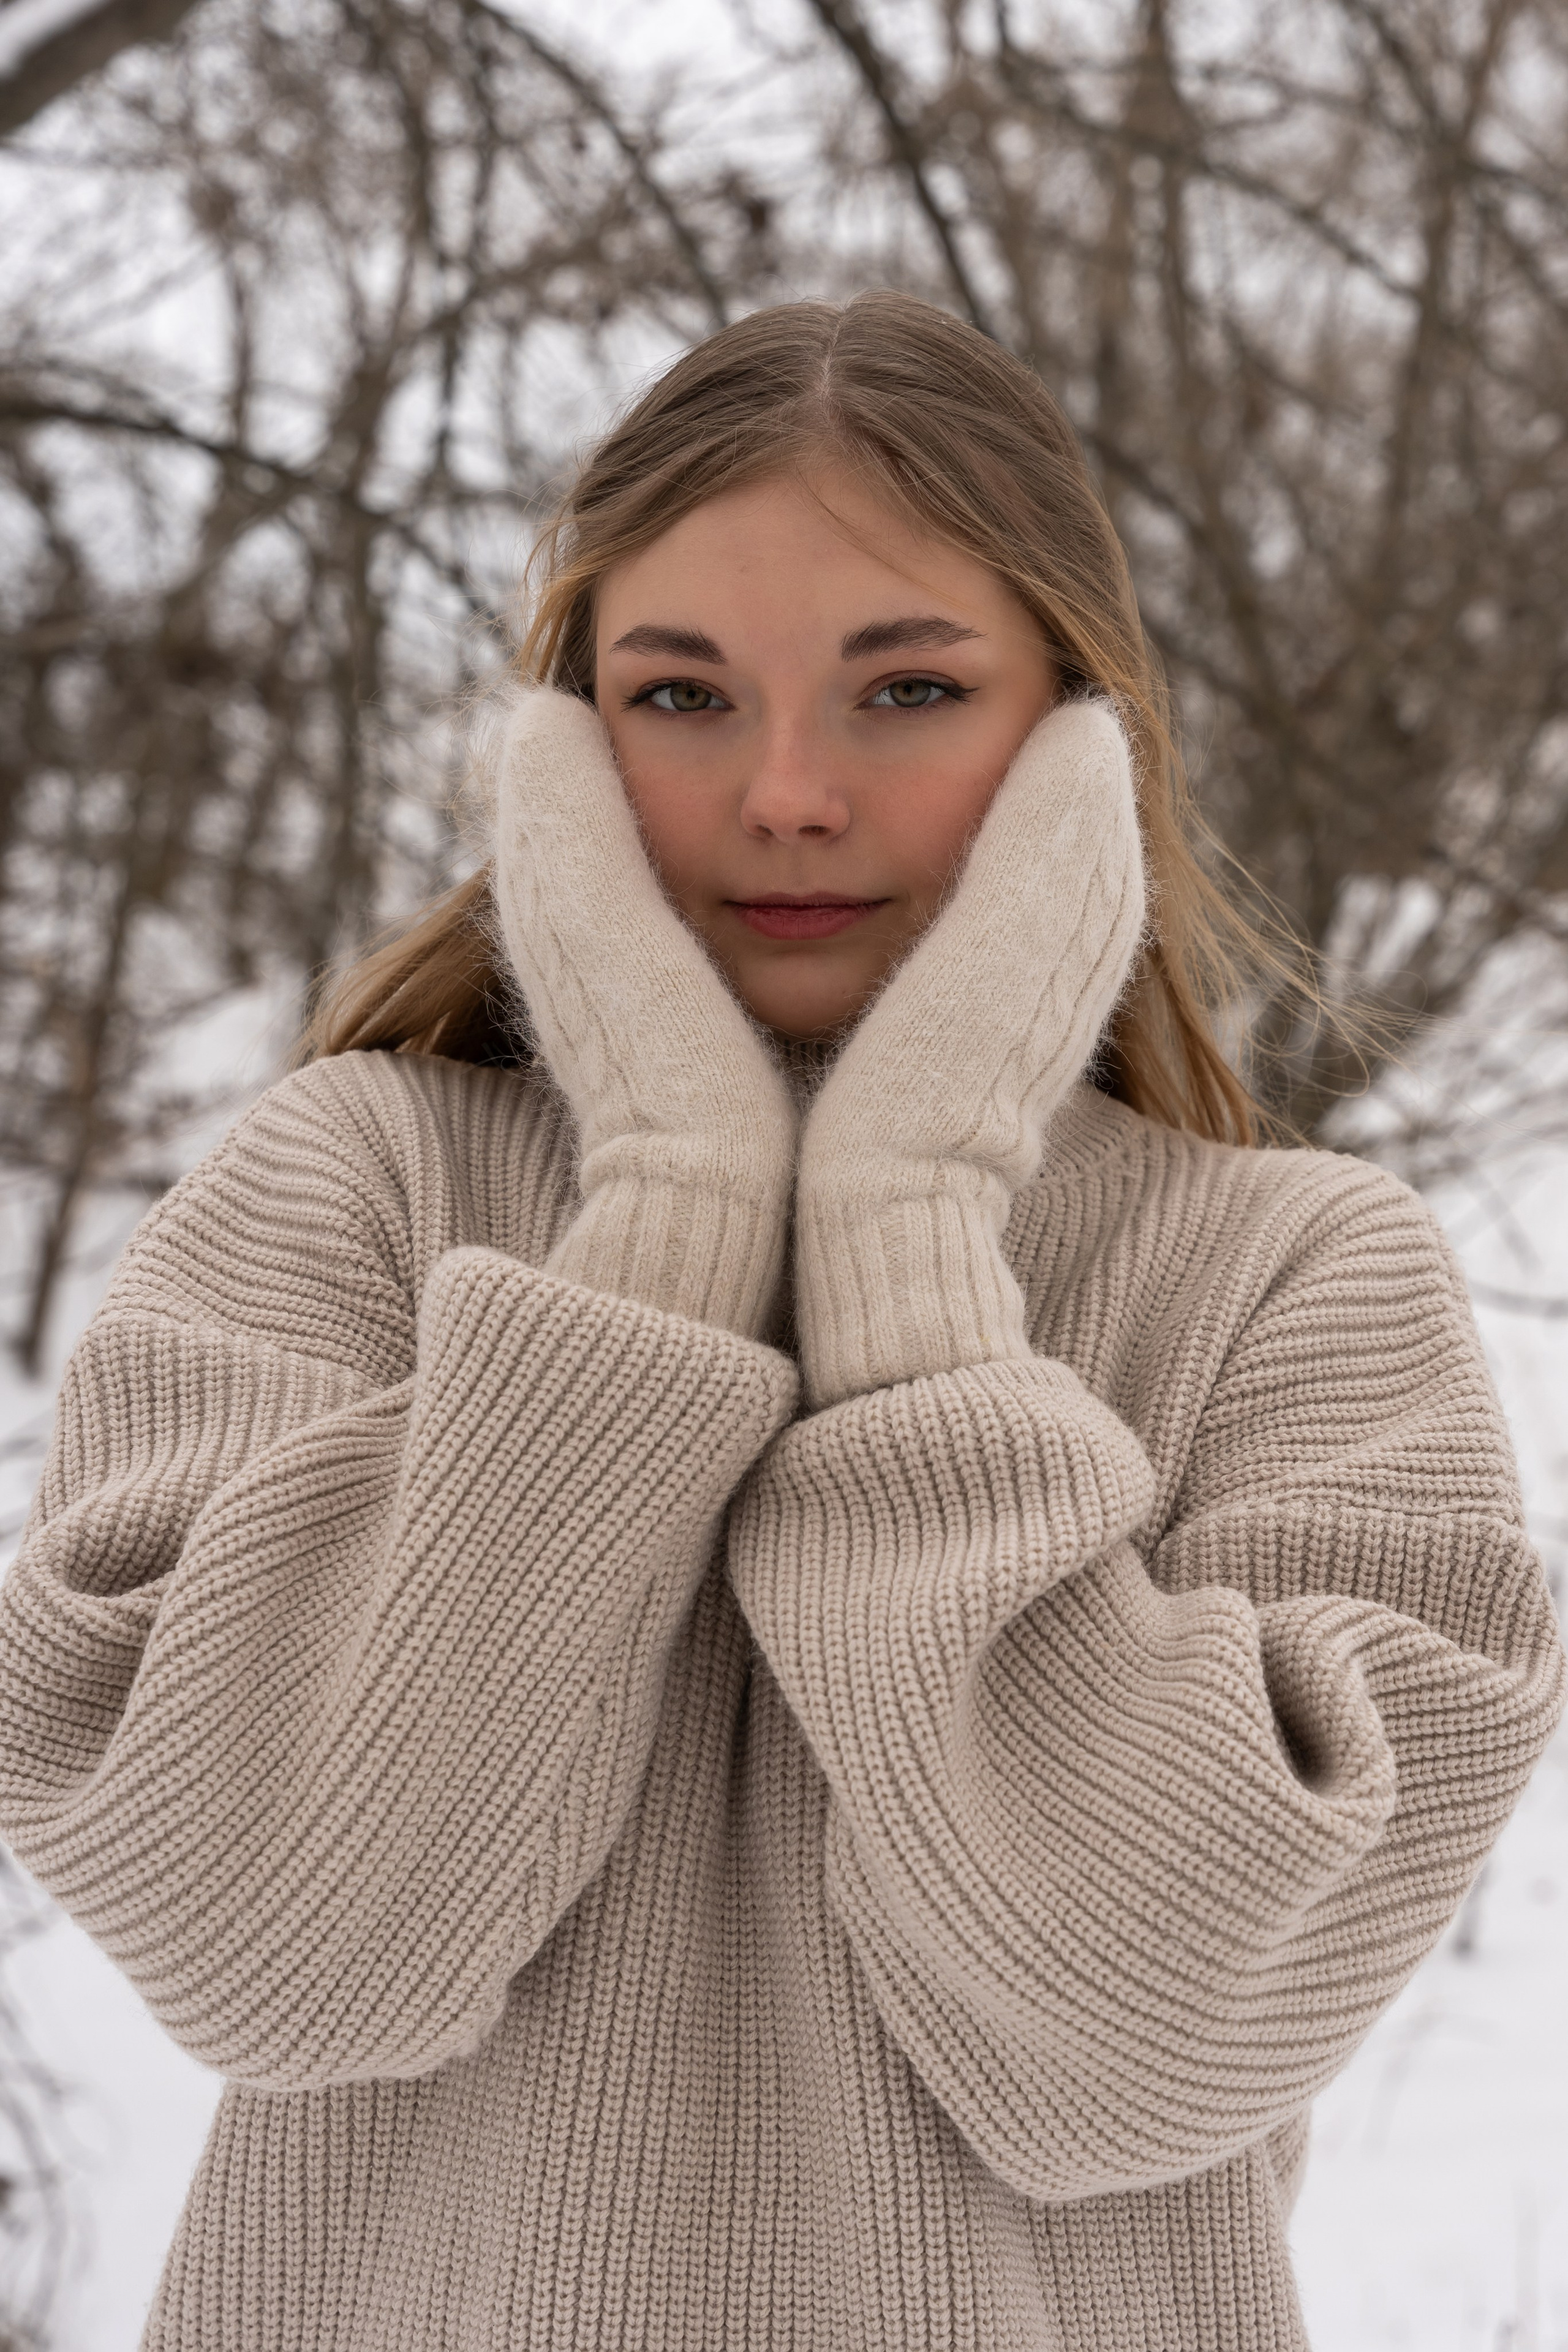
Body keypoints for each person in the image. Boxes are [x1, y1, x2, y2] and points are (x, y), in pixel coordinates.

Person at [0, 292, 1559, 2352]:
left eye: (906, 688)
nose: (792, 793)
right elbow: (286, 1955)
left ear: (1078, 739)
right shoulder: (348, 1190)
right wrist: (662, 1229)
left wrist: (909, 1245)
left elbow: (1139, 2039)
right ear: (560, 746)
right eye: (681, 694)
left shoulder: (1293, 1282)